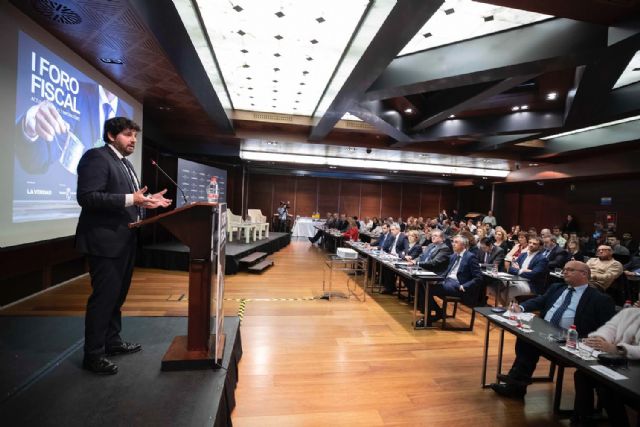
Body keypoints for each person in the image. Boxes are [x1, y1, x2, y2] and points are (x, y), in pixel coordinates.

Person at [75, 117, 171, 375]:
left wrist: (147, 201)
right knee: (104, 299)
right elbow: (87, 197)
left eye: (135, 136)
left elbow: (126, 200)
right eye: (128, 135)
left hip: (125, 241)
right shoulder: (96, 157)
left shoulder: (124, 164)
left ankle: (112, 342)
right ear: (111, 135)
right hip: (104, 242)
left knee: (117, 298)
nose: (133, 141)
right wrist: (132, 198)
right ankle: (93, 355)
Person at [489, 261, 615, 399]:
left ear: (584, 274)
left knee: (529, 343)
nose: (565, 272)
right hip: (544, 332)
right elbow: (540, 300)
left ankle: (516, 382)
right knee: (526, 339)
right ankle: (517, 383)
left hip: (569, 341)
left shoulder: (599, 298)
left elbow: (607, 327)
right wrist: (522, 307)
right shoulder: (557, 287)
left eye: (570, 270)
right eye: (564, 269)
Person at [572, 302, 640, 426]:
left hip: (635, 368)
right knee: (582, 375)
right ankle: (585, 419)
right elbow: (609, 328)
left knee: (607, 388)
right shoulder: (630, 312)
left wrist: (618, 349)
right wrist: (600, 339)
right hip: (619, 362)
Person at [419, 235, 483, 326]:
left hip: (458, 286)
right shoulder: (454, 255)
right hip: (447, 281)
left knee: (429, 289)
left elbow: (478, 277)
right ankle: (438, 313)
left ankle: (430, 318)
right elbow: (445, 271)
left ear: (463, 245)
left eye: (456, 242)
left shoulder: (470, 257)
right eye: (453, 242)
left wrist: (465, 286)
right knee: (423, 285)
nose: (453, 244)